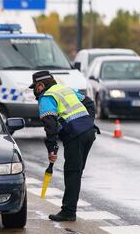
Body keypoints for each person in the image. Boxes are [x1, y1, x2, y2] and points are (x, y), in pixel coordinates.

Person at [29, 71, 99, 222]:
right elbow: (89, 103)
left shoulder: (46, 97)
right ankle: (70, 208)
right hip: (89, 132)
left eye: (34, 87)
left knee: (72, 172)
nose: (35, 91)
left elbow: (50, 124)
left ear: (40, 85)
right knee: (76, 171)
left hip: (76, 135)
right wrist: (87, 122)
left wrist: (52, 148)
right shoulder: (65, 89)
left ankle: (68, 212)